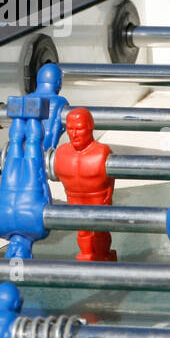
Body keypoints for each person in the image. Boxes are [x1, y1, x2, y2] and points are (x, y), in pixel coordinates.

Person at [53, 108, 117, 262]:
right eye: (70, 129)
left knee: (100, 229)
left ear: (90, 127)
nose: (74, 134)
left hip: (98, 196)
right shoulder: (61, 153)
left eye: (79, 129)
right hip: (74, 196)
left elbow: (111, 178)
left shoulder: (102, 152)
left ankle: (103, 255)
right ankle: (87, 255)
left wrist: (108, 195)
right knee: (82, 231)